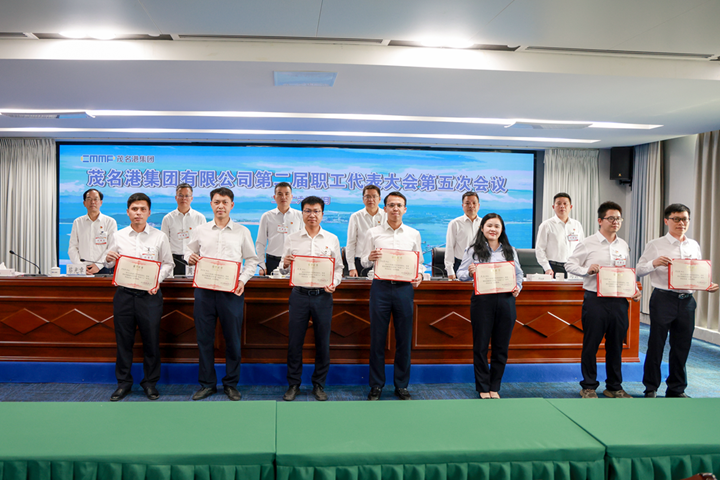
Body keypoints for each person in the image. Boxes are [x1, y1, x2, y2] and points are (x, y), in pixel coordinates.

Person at [636, 204, 719, 398]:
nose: (681, 223)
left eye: (685, 219)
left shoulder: (693, 245)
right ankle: (651, 387)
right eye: (676, 219)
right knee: (656, 344)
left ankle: (676, 389)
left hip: (687, 301)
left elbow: (696, 272)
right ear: (667, 221)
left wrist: (706, 284)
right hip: (663, 299)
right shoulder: (655, 244)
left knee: (682, 346)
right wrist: (654, 263)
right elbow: (639, 269)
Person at [185, 187, 259, 401]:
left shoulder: (242, 231)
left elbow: (251, 260)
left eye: (225, 202)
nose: (220, 206)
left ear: (231, 205)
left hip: (231, 292)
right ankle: (207, 384)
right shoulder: (201, 230)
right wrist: (190, 257)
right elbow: (188, 250)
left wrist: (242, 280)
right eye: (216, 202)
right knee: (204, 339)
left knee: (233, 340)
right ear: (211, 204)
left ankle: (231, 384)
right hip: (204, 291)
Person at [566, 201, 641, 399]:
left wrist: (634, 289)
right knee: (591, 344)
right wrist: (587, 270)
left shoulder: (623, 245)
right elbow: (569, 264)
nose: (616, 222)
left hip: (619, 301)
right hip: (595, 301)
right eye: (611, 218)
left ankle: (614, 386)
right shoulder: (587, 243)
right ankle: (588, 386)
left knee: (616, 345)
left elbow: (625, 272)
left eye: (618, 218)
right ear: (600, 220)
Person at [104, 193, 174, 401]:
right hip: (124, 295)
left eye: (143, 209)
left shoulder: (159, 236)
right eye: (134, 209)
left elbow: (168, 263)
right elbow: (109, 263)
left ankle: (150, 383)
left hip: (149, 296)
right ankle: (123, 383)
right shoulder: (118, 236)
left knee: (151, 341)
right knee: (123, 342)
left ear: (149, 212)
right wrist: (108, 259)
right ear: (128, 212)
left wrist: (156, 281)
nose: (138, 213)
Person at [280, 196, 344, 402]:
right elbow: (282, 268)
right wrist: (285, 264)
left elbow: (338, 268)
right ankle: (293, 384)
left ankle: (319, 384)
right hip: (299, 295)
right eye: (308, 211)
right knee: (295, 342)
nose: (312, 215)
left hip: (322, 296)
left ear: (322, 214)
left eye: (316, 211)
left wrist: (334, 282)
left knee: (322, 342)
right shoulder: (292, 238)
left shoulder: (331, 239)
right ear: (302, 213)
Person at [361, 191, 424, 400]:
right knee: (377, 338)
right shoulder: (373, 233)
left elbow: (419, 263)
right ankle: (376, 385)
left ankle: (401, 385)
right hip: (380, 287)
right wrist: (370, 257)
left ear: (404, 209)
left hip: (404, 289)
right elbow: (363, 261)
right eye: (391, 205)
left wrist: (420, 275)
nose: (395, 208)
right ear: (385, 208)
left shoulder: (413, 234)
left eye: (399, 205)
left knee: (404, 339)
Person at [457, 213, 523, 399]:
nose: (493, 229)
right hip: (482, 301)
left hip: (506, 300)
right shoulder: (473, 250)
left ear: (502, 230)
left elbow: (519, 274)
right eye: (489, 226)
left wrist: (518, 287)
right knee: (481, 346)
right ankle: (483, 387)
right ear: (482, 228)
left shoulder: (510, 250)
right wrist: (470, 273)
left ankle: (495, 386)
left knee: (501, 346)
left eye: (497, 226)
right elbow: (460, 274)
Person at [256, 182, 303, 276]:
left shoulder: (300, 215)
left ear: (291, 197)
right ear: (274, 197)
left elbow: (303, 240)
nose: (283, 197)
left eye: (287, 194)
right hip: (272, 261)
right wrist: (262, 265)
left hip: (293, 261)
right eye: (280, 194)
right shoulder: (267, 216)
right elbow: (260, 243)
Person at [161, 183, 206, 276]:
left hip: (193, 259)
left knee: (192, 284)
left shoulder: (199, 218)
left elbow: (204, 242)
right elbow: (164, 243)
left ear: (191, 198)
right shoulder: (168, 218)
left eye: (187, 196)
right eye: (180, 195)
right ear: (176, 197)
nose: (184, 198)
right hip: (174, 260)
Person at [68, 188, 117, 274]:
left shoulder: (110, 222)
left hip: (103, 267)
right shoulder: (78, 222)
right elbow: (73, 247)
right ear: (84, 203)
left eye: (95, 199)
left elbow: (112, 247)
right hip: (83, 268)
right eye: (89, 199)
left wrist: (98, 265)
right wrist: (80, 266)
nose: (92, 202)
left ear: (101, 202)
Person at [536, 193, 585, 276]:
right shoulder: (546, 225)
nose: (562, 206)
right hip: (553, 267)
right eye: (559, 204)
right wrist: (547, 268)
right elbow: (540, 249)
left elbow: (581, 247)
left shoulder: (577, 225)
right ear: (553, 207)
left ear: (571, 207)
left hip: (573, 267)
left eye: (565, 203)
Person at [346, 185, 385, 277]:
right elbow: (351, 242)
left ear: (379, 199)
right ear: (363, 199)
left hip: (382, 261)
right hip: (360, 262)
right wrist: (351, 267)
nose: (371, 199)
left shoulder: (386, 215)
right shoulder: (356, 217)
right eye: (367, 196)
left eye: (374, 196)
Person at [445, 191, 481, 279]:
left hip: (480, 264)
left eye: (474, 203)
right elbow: (450, 247)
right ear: (462, 206)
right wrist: (450, 270)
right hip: (460, 264)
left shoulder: (484, 223)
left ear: (478, 206)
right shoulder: (455, 223)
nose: (471, 206)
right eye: (467, 203)